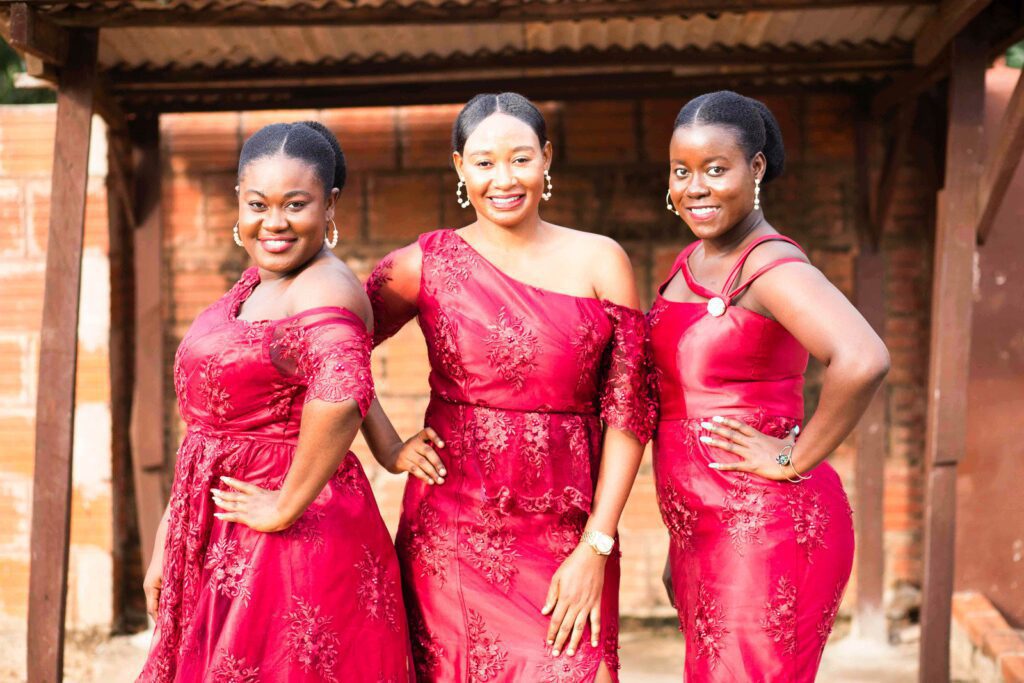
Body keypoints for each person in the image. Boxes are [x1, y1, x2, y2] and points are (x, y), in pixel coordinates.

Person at [362, 92, 657, 682]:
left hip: (571, 531)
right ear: (459, 167)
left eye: (521, 159)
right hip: (452, 531)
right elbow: (331, 352)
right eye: (484, 162)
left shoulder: (602, 260)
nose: (504, 179)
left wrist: (596, 545)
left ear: (546, 158)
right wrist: (387, 446)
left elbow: (630, 410)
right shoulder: (424, 263)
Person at [137, 121, 412, 682]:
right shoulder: (258, 283)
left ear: (329, 205)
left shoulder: (323, 286)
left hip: (287, 540)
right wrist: (171, 532)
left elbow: (343, 393)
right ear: (239, 201)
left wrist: (285, 505)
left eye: (296, 204)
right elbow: (211, 428)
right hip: (228, 527)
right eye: (258, 204)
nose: (275, 222)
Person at [651, 90, 890, 681]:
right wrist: (679, 540)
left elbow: (863, 358)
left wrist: (792, 457)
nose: (694, 188)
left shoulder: (768, 265)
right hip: (704, 529)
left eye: (715, 169)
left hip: (764, 526)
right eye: (682, 171)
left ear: (755, 168)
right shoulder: (689, 262)